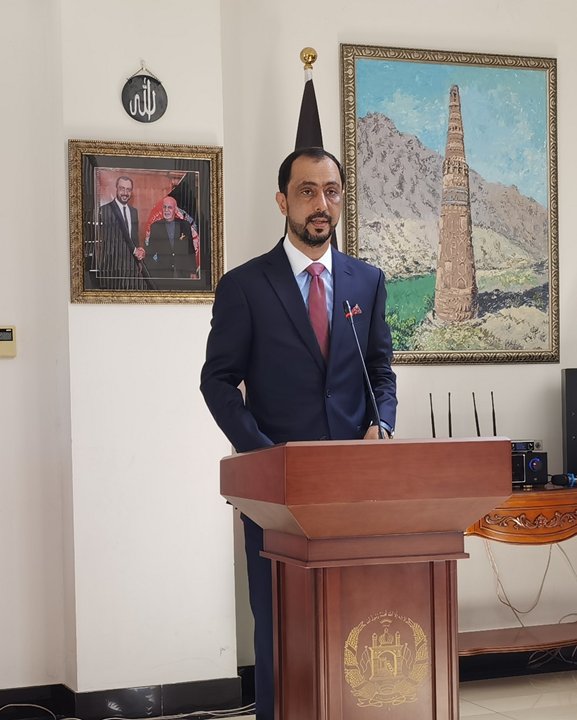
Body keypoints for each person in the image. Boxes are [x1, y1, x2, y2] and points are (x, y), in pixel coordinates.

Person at [200, 147, 397, 720]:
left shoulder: (369, 280)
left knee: (356, 622)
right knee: (281, 625)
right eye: (308, 191)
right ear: (283, 200)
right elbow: (217, 380)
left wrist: (381, 424)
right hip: (277, 495)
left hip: (356, 491)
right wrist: (263, 457)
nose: (321, 204)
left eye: (331, 191)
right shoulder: (245, 285)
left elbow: (381, 372)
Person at [95, 175, 146, 289]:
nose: (125, 193)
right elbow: (115, 237)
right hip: (112, 266)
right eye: (122, 188)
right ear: (116, 189)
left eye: (128, 189)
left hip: (130, 268)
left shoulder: (134, 212)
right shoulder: (105, 210)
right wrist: (135, 250)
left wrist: (139, 256)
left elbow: (134, 237)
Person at [144, 196, 198, 278]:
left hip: (183, 273)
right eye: (164, 207)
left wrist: (192, 271)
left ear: (175, 210)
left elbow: (190, 250)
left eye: (170, 207)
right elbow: (151, 251)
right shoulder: (155, 227)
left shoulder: (185, 225)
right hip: (163, 274)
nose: (166, 210)